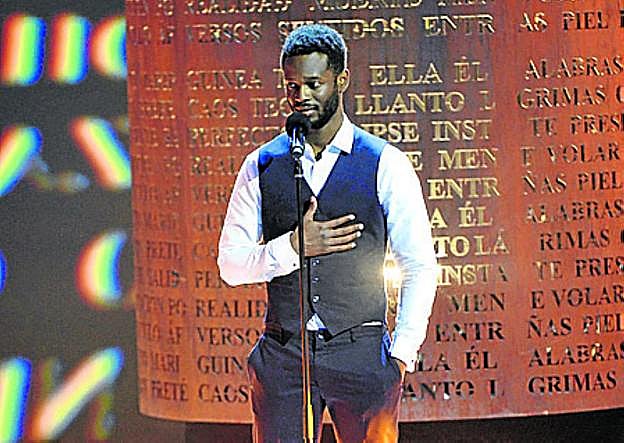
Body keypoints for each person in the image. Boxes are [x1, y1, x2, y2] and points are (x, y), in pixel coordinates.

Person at [218, 24, 438, 443]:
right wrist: (292, 247)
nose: (301, 95)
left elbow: (419, 264)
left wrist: (401, 355)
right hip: (284, 355)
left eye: (313, 84)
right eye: (292, 85)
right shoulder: (261, 165)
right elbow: (231, 264)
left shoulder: (385, 163)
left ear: (341, 80)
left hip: (361, 354)